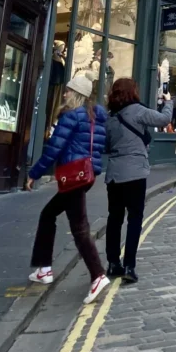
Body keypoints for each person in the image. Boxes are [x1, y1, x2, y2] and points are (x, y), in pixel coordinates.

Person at [26, 74, 110, 304]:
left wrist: (34, 173)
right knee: (49, 214)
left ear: (77, 95)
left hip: (73, 175)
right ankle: (44, 269)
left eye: (68, 91)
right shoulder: (96, 118)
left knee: (79, 227)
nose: (65, 94)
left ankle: (97, 274)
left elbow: (54, 149)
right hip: (86, 174)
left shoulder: (71, 117)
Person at [104, 78, 173, 283]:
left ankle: (113, 263)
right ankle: (129, 266)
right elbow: (163, 120)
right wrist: (168, 102)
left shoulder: (111, 117)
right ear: (133, 91)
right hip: (134, 173)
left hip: (114, 174)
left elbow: (106, 146)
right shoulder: (138, 111)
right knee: (134, 219)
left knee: (114, 219)